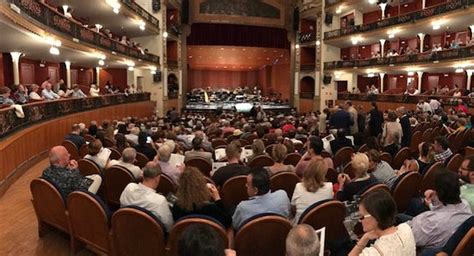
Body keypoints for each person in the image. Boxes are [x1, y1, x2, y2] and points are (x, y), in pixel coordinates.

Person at [407, 170, 472, 251]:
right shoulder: (466, 205)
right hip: (444, 241)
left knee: (400, 216)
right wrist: (432, 202)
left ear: (439, 193)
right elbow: (446, 211)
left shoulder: (431, 221)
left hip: (417, 243)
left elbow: (408, 238)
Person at [348, 190, 416, 256]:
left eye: (362, 217)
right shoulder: (406, 228)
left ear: (375, 217)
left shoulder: (373, 253)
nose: (360, 221)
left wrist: (363, 240)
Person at [120, 161, 173, 231]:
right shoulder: (160, 201)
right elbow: (169, 227)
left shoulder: (129, 187)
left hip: (126, 228)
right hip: (149, 236)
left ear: (143, 175)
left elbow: (121, 206)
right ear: (158, 178)